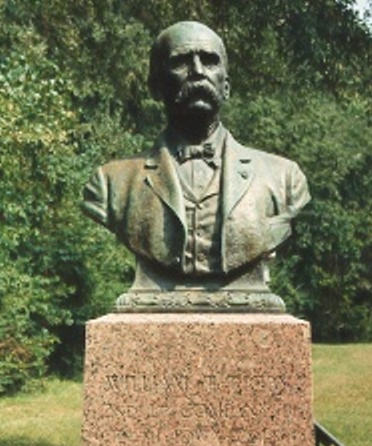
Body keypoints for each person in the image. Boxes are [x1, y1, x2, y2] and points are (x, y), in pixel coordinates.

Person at [82, 21, 310, 311]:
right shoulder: (111, 182)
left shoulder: (284, 178)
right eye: (180, 62)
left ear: (226, 86)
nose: (198, 71)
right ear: (156, 86)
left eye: (210, 60)